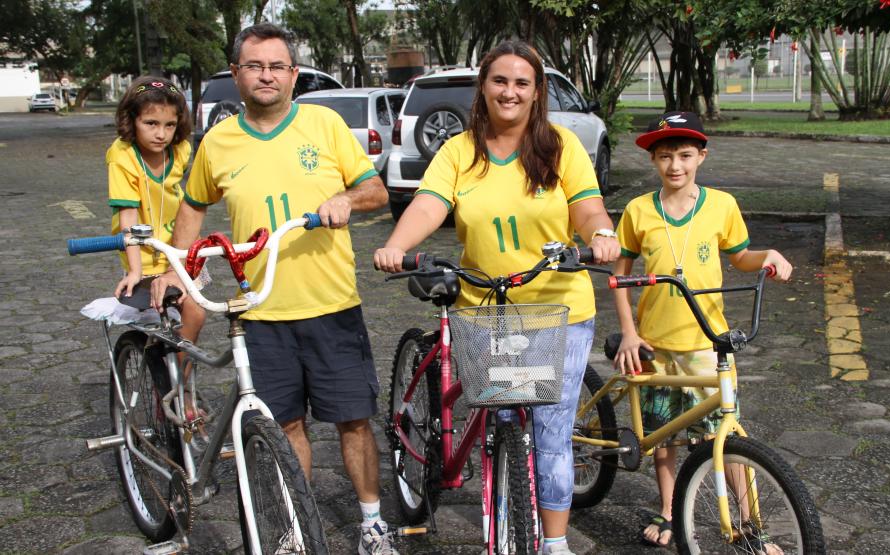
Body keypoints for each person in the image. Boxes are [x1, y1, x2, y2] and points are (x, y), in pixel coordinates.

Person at [150, 24, 397, 555]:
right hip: (258, 312)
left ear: (293, 74)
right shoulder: (219, 141)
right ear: (236, 74)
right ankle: (295, 527)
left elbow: (375, 190)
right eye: (256, 66)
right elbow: (193, 204)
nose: (267, 75)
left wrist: (346, 202)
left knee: (353, 421)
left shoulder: (324, 125)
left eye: (278, 66)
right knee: (284, 427)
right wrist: (173, 268)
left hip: (332, 306)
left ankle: (373, 523)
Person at [374, 40, 620, 555]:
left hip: (560, 311)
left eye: (521, 83)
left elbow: (589, 208)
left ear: (536, 93)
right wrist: (396, 245)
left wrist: (600, 234)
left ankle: (555, 545)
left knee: (552, 436)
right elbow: (427, 205)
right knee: (504, 422)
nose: (510, 92)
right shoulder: (459, 152)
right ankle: (507, 513)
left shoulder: (560, 147)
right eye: (499, 81)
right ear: (483, 87)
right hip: (489, 311)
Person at [612, 111, 792, 551]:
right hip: (655, 344)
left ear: (701, 157)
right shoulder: (638, 211)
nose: (675, 165)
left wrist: (768, 254)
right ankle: (670, 511)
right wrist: (630, 333)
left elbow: (741, 257)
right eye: (665, 156)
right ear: (653, 161)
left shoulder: (722, 205)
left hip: (706, 342)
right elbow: (618, 277)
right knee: (663, 437)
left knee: (724, 433)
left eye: (685, 155)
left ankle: (750, 524)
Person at [107, 75, 206, 394]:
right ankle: (170, 384)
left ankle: (180, 380)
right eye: (150, 123)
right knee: (180, 310)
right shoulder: (122, 156)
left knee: (198, 311)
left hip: (175, 249)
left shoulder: (181, 151)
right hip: (143, 250)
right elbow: (128, 217)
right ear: (131, 120)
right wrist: (135, 269)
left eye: (169, 124)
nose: (161, 134)